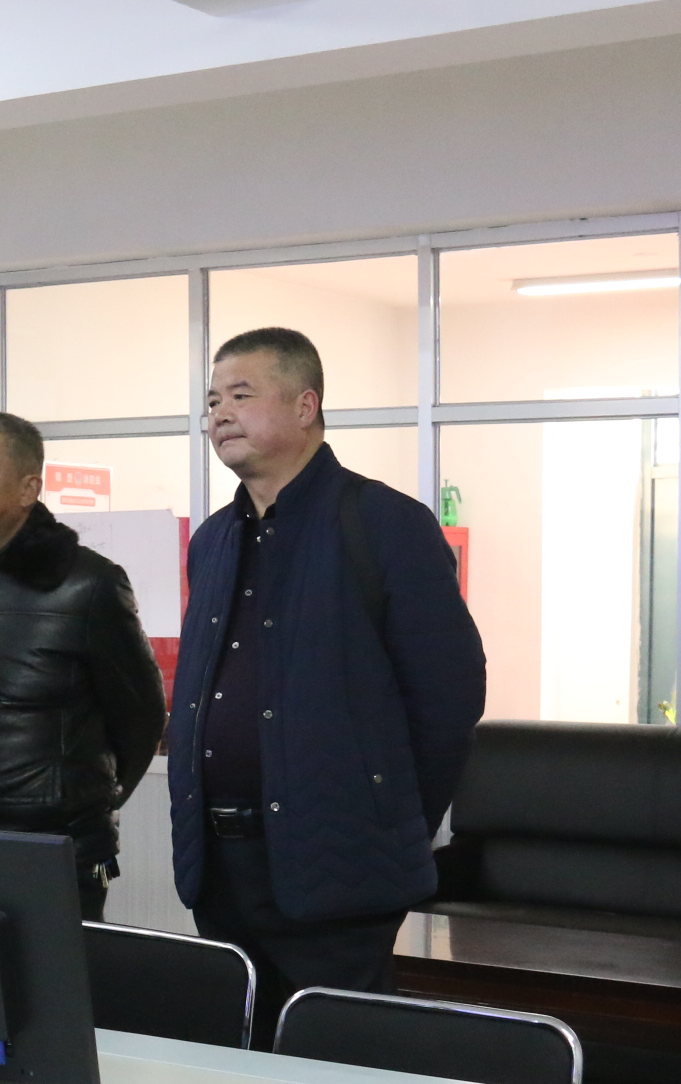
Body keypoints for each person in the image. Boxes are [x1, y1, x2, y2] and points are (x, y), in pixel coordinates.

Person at [169, 328, 485, 1031]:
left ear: (305, 405)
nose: (220, 414)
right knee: (234, 1058)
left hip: (338, 867)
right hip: (219, 866)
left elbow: (449, 698)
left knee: (338, 1060)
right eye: (212, 401)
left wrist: (382, 818)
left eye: (241, 395)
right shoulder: (213, 540)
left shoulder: (384, 524)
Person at [0, 410, 167, 919]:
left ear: (28, 489)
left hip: (53, 857)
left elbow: (140, 718)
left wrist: (83, 803)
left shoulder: (87, 584)